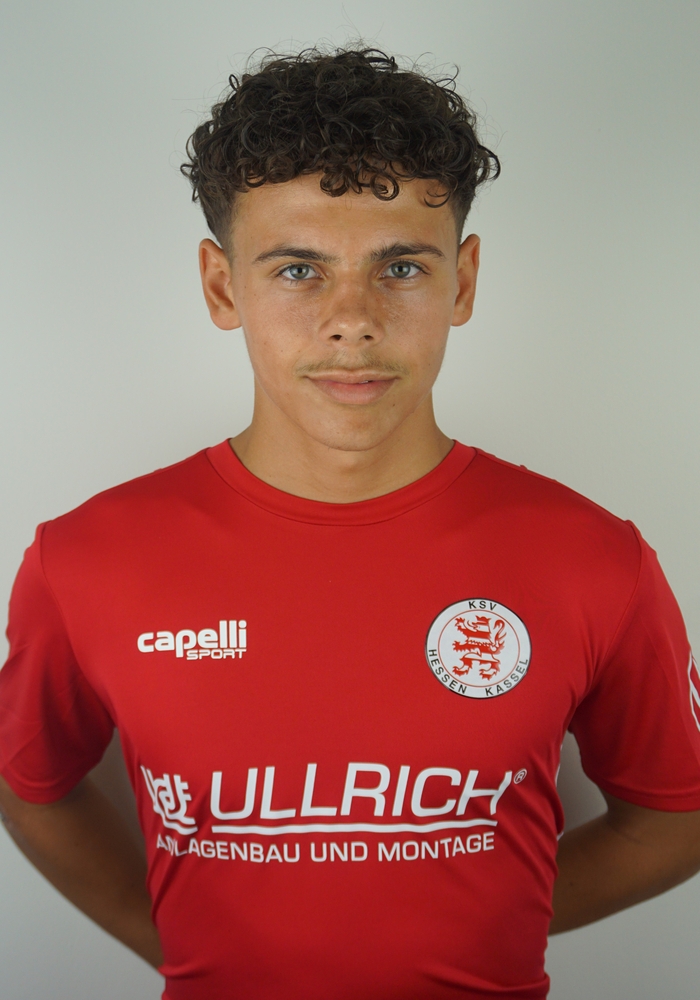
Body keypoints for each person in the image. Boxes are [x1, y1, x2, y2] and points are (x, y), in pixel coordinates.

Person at [1, 45, 699, 1000]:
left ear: (462, 282)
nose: (352, 320)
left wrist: (488, 918)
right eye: (298, 269)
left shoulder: (593, 560)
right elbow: (30, 785)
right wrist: (183, 940)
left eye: (401, 266)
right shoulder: (86, 560)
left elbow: (676, 818)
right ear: (222, 286)